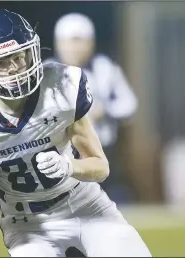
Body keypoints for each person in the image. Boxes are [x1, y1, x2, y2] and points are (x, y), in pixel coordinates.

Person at [0, 9, 151, 257]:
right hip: (27, 223)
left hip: (85, 205)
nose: (14, 68)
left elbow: (101, 167)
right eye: (1, 62)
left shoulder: (62, 88)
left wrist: (69, 166)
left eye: (19, 56)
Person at [44, 13, 138, 202]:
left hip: (101, 147)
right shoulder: (46, 71)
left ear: (91, 43)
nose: (75, 48)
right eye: (70, 41)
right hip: (61, 150)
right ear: (59, 43)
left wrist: (105, 112)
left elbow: (129, 105)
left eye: (80, 41)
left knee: (104, 204)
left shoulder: (106, 68)